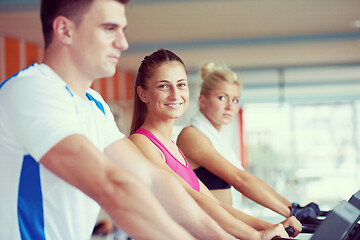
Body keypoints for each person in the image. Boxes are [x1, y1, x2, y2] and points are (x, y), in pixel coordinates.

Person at [0, 1, 236, 239]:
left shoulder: (94, 104)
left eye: (122, 30)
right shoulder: (31, 90)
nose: (122, 43)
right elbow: (113, 187)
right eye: (109, 28)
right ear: (64, 30)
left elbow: (153, 180)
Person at [129, 48, 302, 240]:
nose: (175, 94)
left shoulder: (173, 148)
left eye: (181, 85)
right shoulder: (140, 143)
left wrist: (271, 226)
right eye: (163, 86)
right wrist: (256, 236)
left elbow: (216, 206)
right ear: (143, 94)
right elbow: (189, 198)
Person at [176, 62, 320, 223]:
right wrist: (291, 213)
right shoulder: (191, 135)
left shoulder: (215, 138)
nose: (230, 106)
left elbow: (246, 177)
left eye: (236, 100)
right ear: (202, 100)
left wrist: (293, 206)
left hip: (222, 228)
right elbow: (239, 179)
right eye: (222, 98)